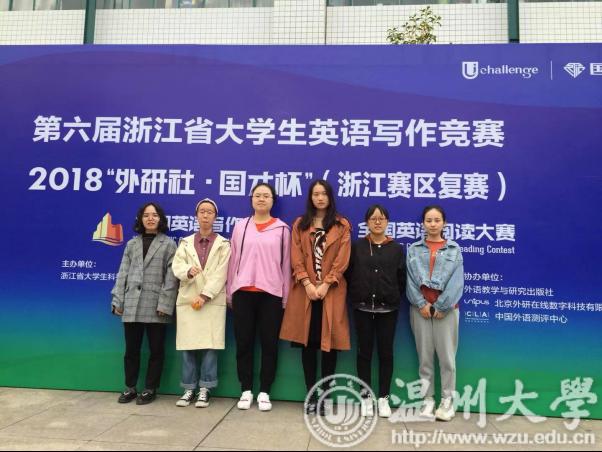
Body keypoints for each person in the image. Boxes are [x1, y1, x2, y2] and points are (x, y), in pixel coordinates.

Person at [280, 180, 351, 415]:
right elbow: (296, 256)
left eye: (324, 194)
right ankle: (311, 395)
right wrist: (308, 283)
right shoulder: (300, 224)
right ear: (310, 198)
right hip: (306, 293)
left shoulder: (341, 225)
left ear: (330, 197)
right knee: (308, 345)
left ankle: (327, 395)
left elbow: (342, 259)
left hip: (331, 292)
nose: (320, 198)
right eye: (315, 194)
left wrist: (327, 283)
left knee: (330, 346)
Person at [226, 183, 291, 412]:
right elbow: (233, 260)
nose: (261, 199)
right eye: (257, 195)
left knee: (269, 344)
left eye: (266, 196)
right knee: (244, 343)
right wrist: (230, 291)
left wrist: (285, 297)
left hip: (271, 295)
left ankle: (264, 391)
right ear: (251, 199)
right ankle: (246, 389)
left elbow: (286, 265)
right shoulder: (240, 226)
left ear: (273, 200)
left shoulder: (283, 230)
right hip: (243, 293)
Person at [111, 202, 178, 405]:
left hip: (156, 305)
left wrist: (165, 304)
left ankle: (150, 388)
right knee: (131, 350)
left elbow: (171, 278)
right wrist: (118, 299)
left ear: (160, 219)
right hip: (132, 303)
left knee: (156, 350)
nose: (150, 218)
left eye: (154, 215)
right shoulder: (132, 244)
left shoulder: (168, 244)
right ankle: (130, 387)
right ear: (141, 219)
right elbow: (123, 273)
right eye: (146, 215)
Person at [346, 204, 406, 418]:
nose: (377, 222)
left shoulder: (396, 248)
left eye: (381, 218)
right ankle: (365, 398)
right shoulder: (358, 246)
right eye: (373, 218)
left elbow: (401, 278)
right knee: (364, 353)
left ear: (387, 222)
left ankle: (383, 398)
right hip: (362, 308)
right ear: (367, 222)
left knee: (386, 354)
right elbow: (349, 274)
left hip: (388, 309)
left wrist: (391, 296)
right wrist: (358, 293)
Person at [406, 205, 464, 422]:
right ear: (423, 223)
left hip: (447, 312)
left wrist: (442, 306)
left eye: (437, 220)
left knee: (447, 359)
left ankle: (447, 401)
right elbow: (410, 280)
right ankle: (427, 399)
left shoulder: (454, 249)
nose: (432, 224)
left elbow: (457, 282)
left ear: (444, 223)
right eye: (428, 220)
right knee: (424, 358)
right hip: (419, 310)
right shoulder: (413, 249)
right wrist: (421, 303)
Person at [172, 198, 231, 408]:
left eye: (210, 212)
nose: (205, 215)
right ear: (196, 216)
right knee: (188, 346)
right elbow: (176, 265)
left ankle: (205, 388)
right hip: (189, 299)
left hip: (211, 300)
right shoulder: (185, 242)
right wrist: (188, 271)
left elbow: (221, 273)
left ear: (215, 217)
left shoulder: (224, 244)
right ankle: (188, 388)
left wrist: (205, 295)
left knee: (210, 346)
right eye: (202, 211)